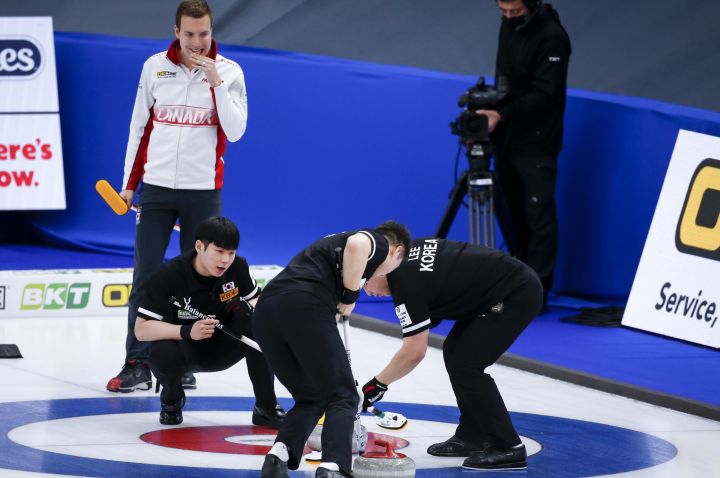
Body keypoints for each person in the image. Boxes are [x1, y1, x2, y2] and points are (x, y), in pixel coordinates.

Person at [106, 0, 249, 393]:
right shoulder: (155, 67)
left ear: (211, 31)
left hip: (203, 191)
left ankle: (183, 361)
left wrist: (216, 81)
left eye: (204, 34)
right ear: (176, 32)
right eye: (189, 34)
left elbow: (235, 131)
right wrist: (129, 184)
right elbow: (139, 128)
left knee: (197, 281)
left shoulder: (231, 72)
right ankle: (136, 362)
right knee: (146, 277)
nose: (198, 42)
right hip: (154, 189)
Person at [361, 238, 542, 471]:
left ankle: (508, 446)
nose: (365, 291)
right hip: (505, 285)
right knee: (456, 353)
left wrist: (378, 385)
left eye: (364, 282)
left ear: (379, 269)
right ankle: (473, 435)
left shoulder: (405, 283)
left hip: (515, 293)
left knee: (468, 363)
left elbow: (414, 352)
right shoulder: (405, 259)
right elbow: (439, 288)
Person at [253, 221, 411, 478]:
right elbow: (358, 245)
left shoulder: (332, 246)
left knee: (311, 396)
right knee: (344, 396)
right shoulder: (380, 243)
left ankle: (278, 456)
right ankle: (334, 466)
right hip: (304, 304)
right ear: (397, 252)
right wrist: (350, 297)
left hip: (266, 312)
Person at [134, 217, 285, 427]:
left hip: (225, 345)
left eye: (230, 253)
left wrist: (249, 308)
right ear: (199, 247)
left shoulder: (238, 267)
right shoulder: (169, 275)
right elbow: (141, 330)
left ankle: (266, 407)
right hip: (186, 349)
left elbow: (256, 300)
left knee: (260, 325)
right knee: (161, 350)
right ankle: (172, 399)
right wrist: (187, 331)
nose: (225, 260)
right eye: (219, 251)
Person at [478, 0, 571, 307]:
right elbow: (503, 77)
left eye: (515, 12)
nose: (508, 17)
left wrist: (501, 114)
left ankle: (538, 291)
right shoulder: (507, 25)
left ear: (531, 5)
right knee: (510, 210)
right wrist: (492, 107)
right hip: (506, 139)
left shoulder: (553, 37)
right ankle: (518, 280)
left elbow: (546, 96)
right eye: (503, 11)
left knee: (538, 216)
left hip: (538, 144)